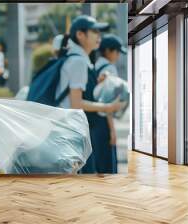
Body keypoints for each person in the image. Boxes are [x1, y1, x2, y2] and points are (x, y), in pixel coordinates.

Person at [54, 15, 123, 174]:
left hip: (72, 132)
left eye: (100, 32)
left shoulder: (78, 59)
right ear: (80, 34)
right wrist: (108, 107)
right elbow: (76, 104)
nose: (99, 36)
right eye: (94, 31)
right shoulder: (78, 61)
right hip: (73, 133)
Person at [93, 34, 127, 173]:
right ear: (108, 50)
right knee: (109, 169)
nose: (118, 55)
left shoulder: (94, 66)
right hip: (103, 123)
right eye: (117, 51)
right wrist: (112, 131)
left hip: (93, 123)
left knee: (99, 167)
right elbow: (107, 102)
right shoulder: (109, 69)